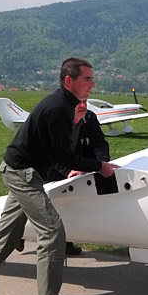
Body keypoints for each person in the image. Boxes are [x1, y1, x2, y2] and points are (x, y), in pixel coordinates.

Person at [0, 57, 117, 295]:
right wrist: (99, 167)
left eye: (92, 79)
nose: (93, 84)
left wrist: (79, 126)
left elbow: (70, 149)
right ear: (69, 81)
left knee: (7, 237)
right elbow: (65, 157)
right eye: (87, 79)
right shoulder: (59, 108)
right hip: (23, 174)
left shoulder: (72, 108)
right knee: (52, 231)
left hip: (22, 171)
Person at [48, 101, 111, 256]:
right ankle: (19, 234)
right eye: (77, 103)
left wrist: (103, 163)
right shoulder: (57, 119)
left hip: (73, 160)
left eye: (84, 102)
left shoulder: (89, 117)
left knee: (68, 201)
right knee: (46, 202)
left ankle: (66, 241)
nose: (82, 106)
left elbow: (99, 142)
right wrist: (68, 171)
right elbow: (51, 152)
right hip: (46, 165)